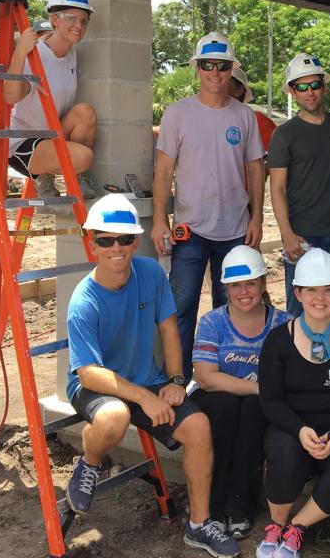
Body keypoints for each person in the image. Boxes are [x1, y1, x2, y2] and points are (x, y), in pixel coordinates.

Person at [65, 194, 239, 557]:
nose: (117, 248)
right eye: (106, 240)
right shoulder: (84, 301)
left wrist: (176, 380)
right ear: (91, 242)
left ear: (135, 241)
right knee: (115, 416)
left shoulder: (150, 272)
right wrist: (144, 397)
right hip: (97, 384)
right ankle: (90, 461)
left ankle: (199, 525)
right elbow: (88, 373)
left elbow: (169, 328)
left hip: (149, 379)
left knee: (198, 427)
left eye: (125, 239)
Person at [152, 31, 266, 378]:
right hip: (191, 231)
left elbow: (255, 169)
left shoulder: (243, 116)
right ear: (196, 69)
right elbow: (164, 169)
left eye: (221, 66)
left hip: (234, 231)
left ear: (231, 69)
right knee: (182, 308)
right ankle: (179, 378)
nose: (214, 73)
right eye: (207, 65)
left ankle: (223, 379)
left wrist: (257, 216)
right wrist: (160, 220)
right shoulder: (178, 114)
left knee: (230, 308)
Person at [256, 249, 330, 558]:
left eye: (328, 290)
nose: (319, 298)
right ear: (297, 293)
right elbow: (270, 400)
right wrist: (299, 430)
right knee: (282, 449)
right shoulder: (278, 341)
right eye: (311, 290)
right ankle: (276, 524)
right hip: (295, 429)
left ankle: (298, 526)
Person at [190, 245, 291, 539]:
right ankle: (215, 502)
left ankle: (240, 503)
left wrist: (261, 394)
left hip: (255, 404)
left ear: (263, 284)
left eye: (250, 283)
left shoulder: (283, 324)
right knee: (226, 407)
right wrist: (260, 388)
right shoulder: (213, 322)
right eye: (236, 285)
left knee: (251, 410)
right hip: (217, 399)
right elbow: (205, 377)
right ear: (226, 288)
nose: (243, 291)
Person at [268, 52, 330, 320]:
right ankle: (303, 362)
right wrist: (287, 235)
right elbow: (277, 188)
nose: (309, 92)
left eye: (314, 84)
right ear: (293, 92)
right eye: (301, 87)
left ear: (324, 86)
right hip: (301, 236)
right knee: (301, 312)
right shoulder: (284, 134)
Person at [5, 0, 97, 199]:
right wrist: (19, 54)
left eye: (83, 21)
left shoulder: (71, 54)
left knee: (85, 112)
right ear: (54, 19)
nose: (79, 26)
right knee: (84, 157)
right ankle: (43, 177)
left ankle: (75, 179)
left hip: (51, 136)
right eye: (71, 19)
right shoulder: (35, 56)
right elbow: (11, 96)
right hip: (24, 145)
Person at [230, 66, 277, 152]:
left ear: (239, 90)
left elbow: (272, 160)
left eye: (224, 82)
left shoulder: (259, 121)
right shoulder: (204, 118)